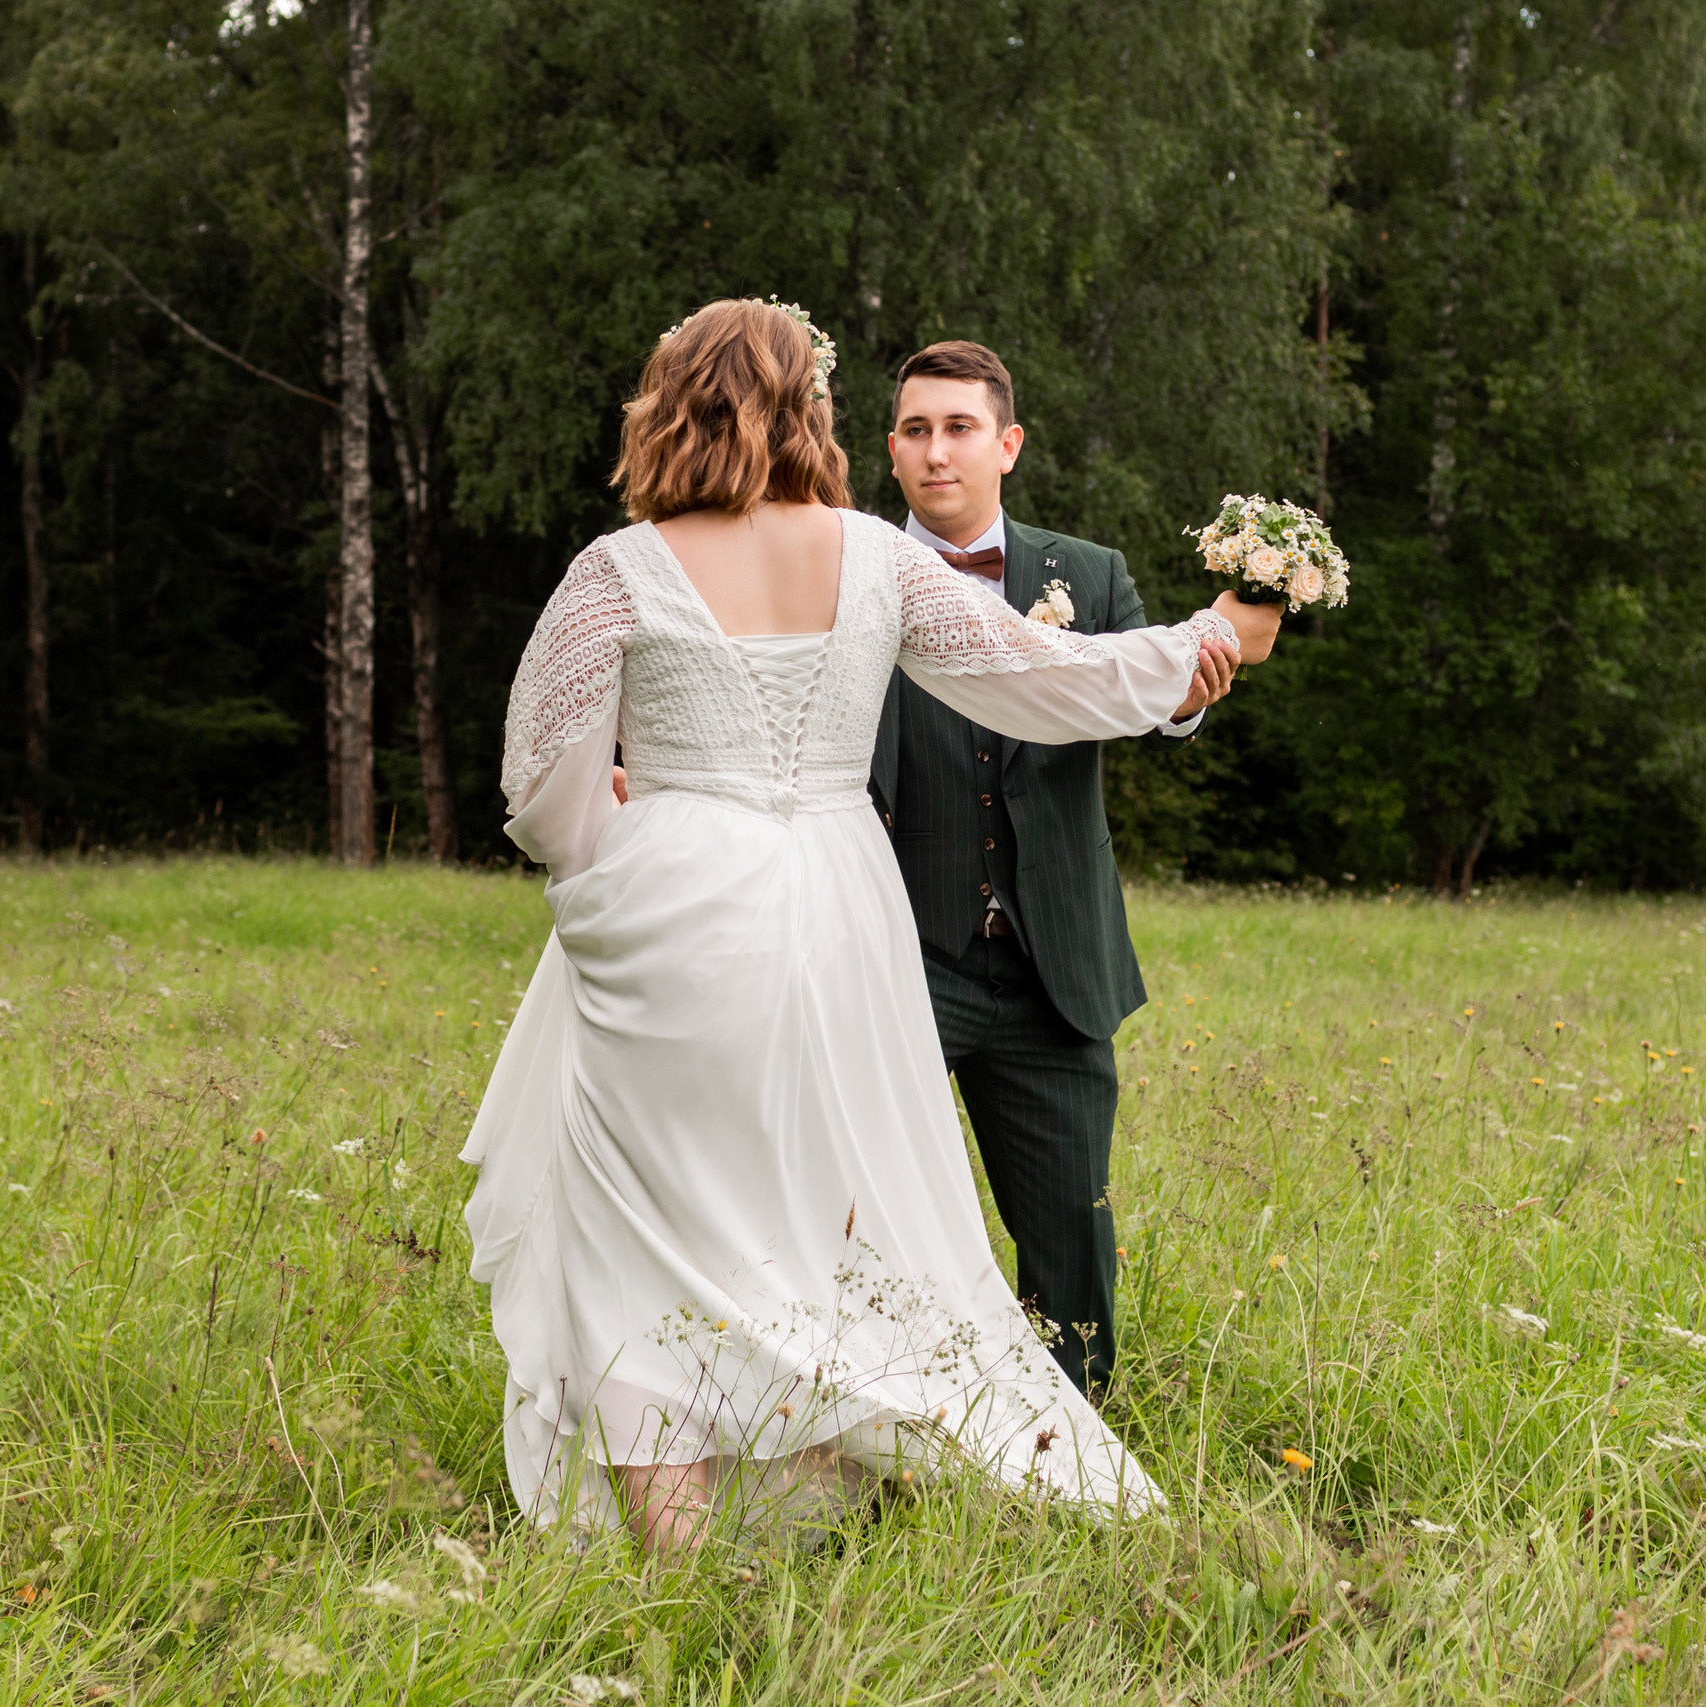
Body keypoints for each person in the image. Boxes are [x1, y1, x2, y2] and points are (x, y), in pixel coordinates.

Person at [459, 298, 1274, 1553]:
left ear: (668, 408)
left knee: (642, 1223)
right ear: (813, 414)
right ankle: (844, 1474)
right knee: (824, 1205)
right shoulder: (878, 558)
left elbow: (536, 792)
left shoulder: (612, 571)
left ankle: (679, 1567)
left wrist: (613, 834)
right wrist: (1211, 640)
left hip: (671, 907)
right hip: (845, 905)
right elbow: (1047, 680)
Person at [871, 342, 1283, 1395]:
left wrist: (1193, 689)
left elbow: (1153, 693)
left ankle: (1072, 1435)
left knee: (1071, 1237)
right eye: (915, 430)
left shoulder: (1084, 572)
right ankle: (889, 1421)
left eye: (959, 428)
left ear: (1006, 444)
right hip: (896, 953)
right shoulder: (854, 569)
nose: (936, 452)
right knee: (870, 1215)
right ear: (890, 449)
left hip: (1055, 961)